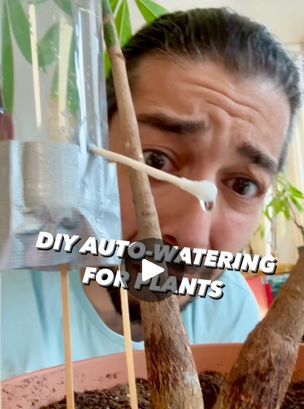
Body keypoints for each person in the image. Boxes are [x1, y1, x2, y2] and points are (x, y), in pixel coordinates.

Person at [2, 7, 301, 379]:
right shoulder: (10, 298)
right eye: (156, 161)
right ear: (88, 152)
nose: (193, 236)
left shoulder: (230, 304)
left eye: (242, 185)